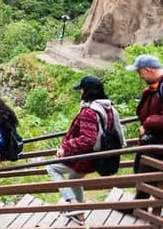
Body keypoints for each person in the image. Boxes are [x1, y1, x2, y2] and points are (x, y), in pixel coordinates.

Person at [48, 75, 124, 224]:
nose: (80, 93)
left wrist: (65, 146)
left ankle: (74, 204)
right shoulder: (108, 107)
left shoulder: (89, 112)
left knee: (52, 168)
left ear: (86, 91)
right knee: (73, 179)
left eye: (81, 89)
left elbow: (88, 140)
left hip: (84, 158)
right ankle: (79, 215)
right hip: (98, 156)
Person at [129, 54, 163, 199]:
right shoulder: (153, 90)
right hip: (151, 141)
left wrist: (148, 123)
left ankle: (138, 205)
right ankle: (139, 205)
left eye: (140, 72)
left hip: (158, 145)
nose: (140, 76)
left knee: (145, 171)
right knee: (140, 169)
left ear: (148, 70)